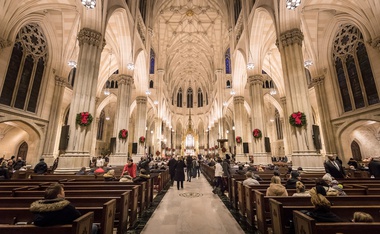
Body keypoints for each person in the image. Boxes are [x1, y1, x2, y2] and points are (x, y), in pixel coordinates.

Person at [30, 183, 97, 233]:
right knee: (93, 226)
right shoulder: (67, 207)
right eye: (63, 191)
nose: (64, 192)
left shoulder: (37, 209)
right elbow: (79, 219)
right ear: (59, 195)